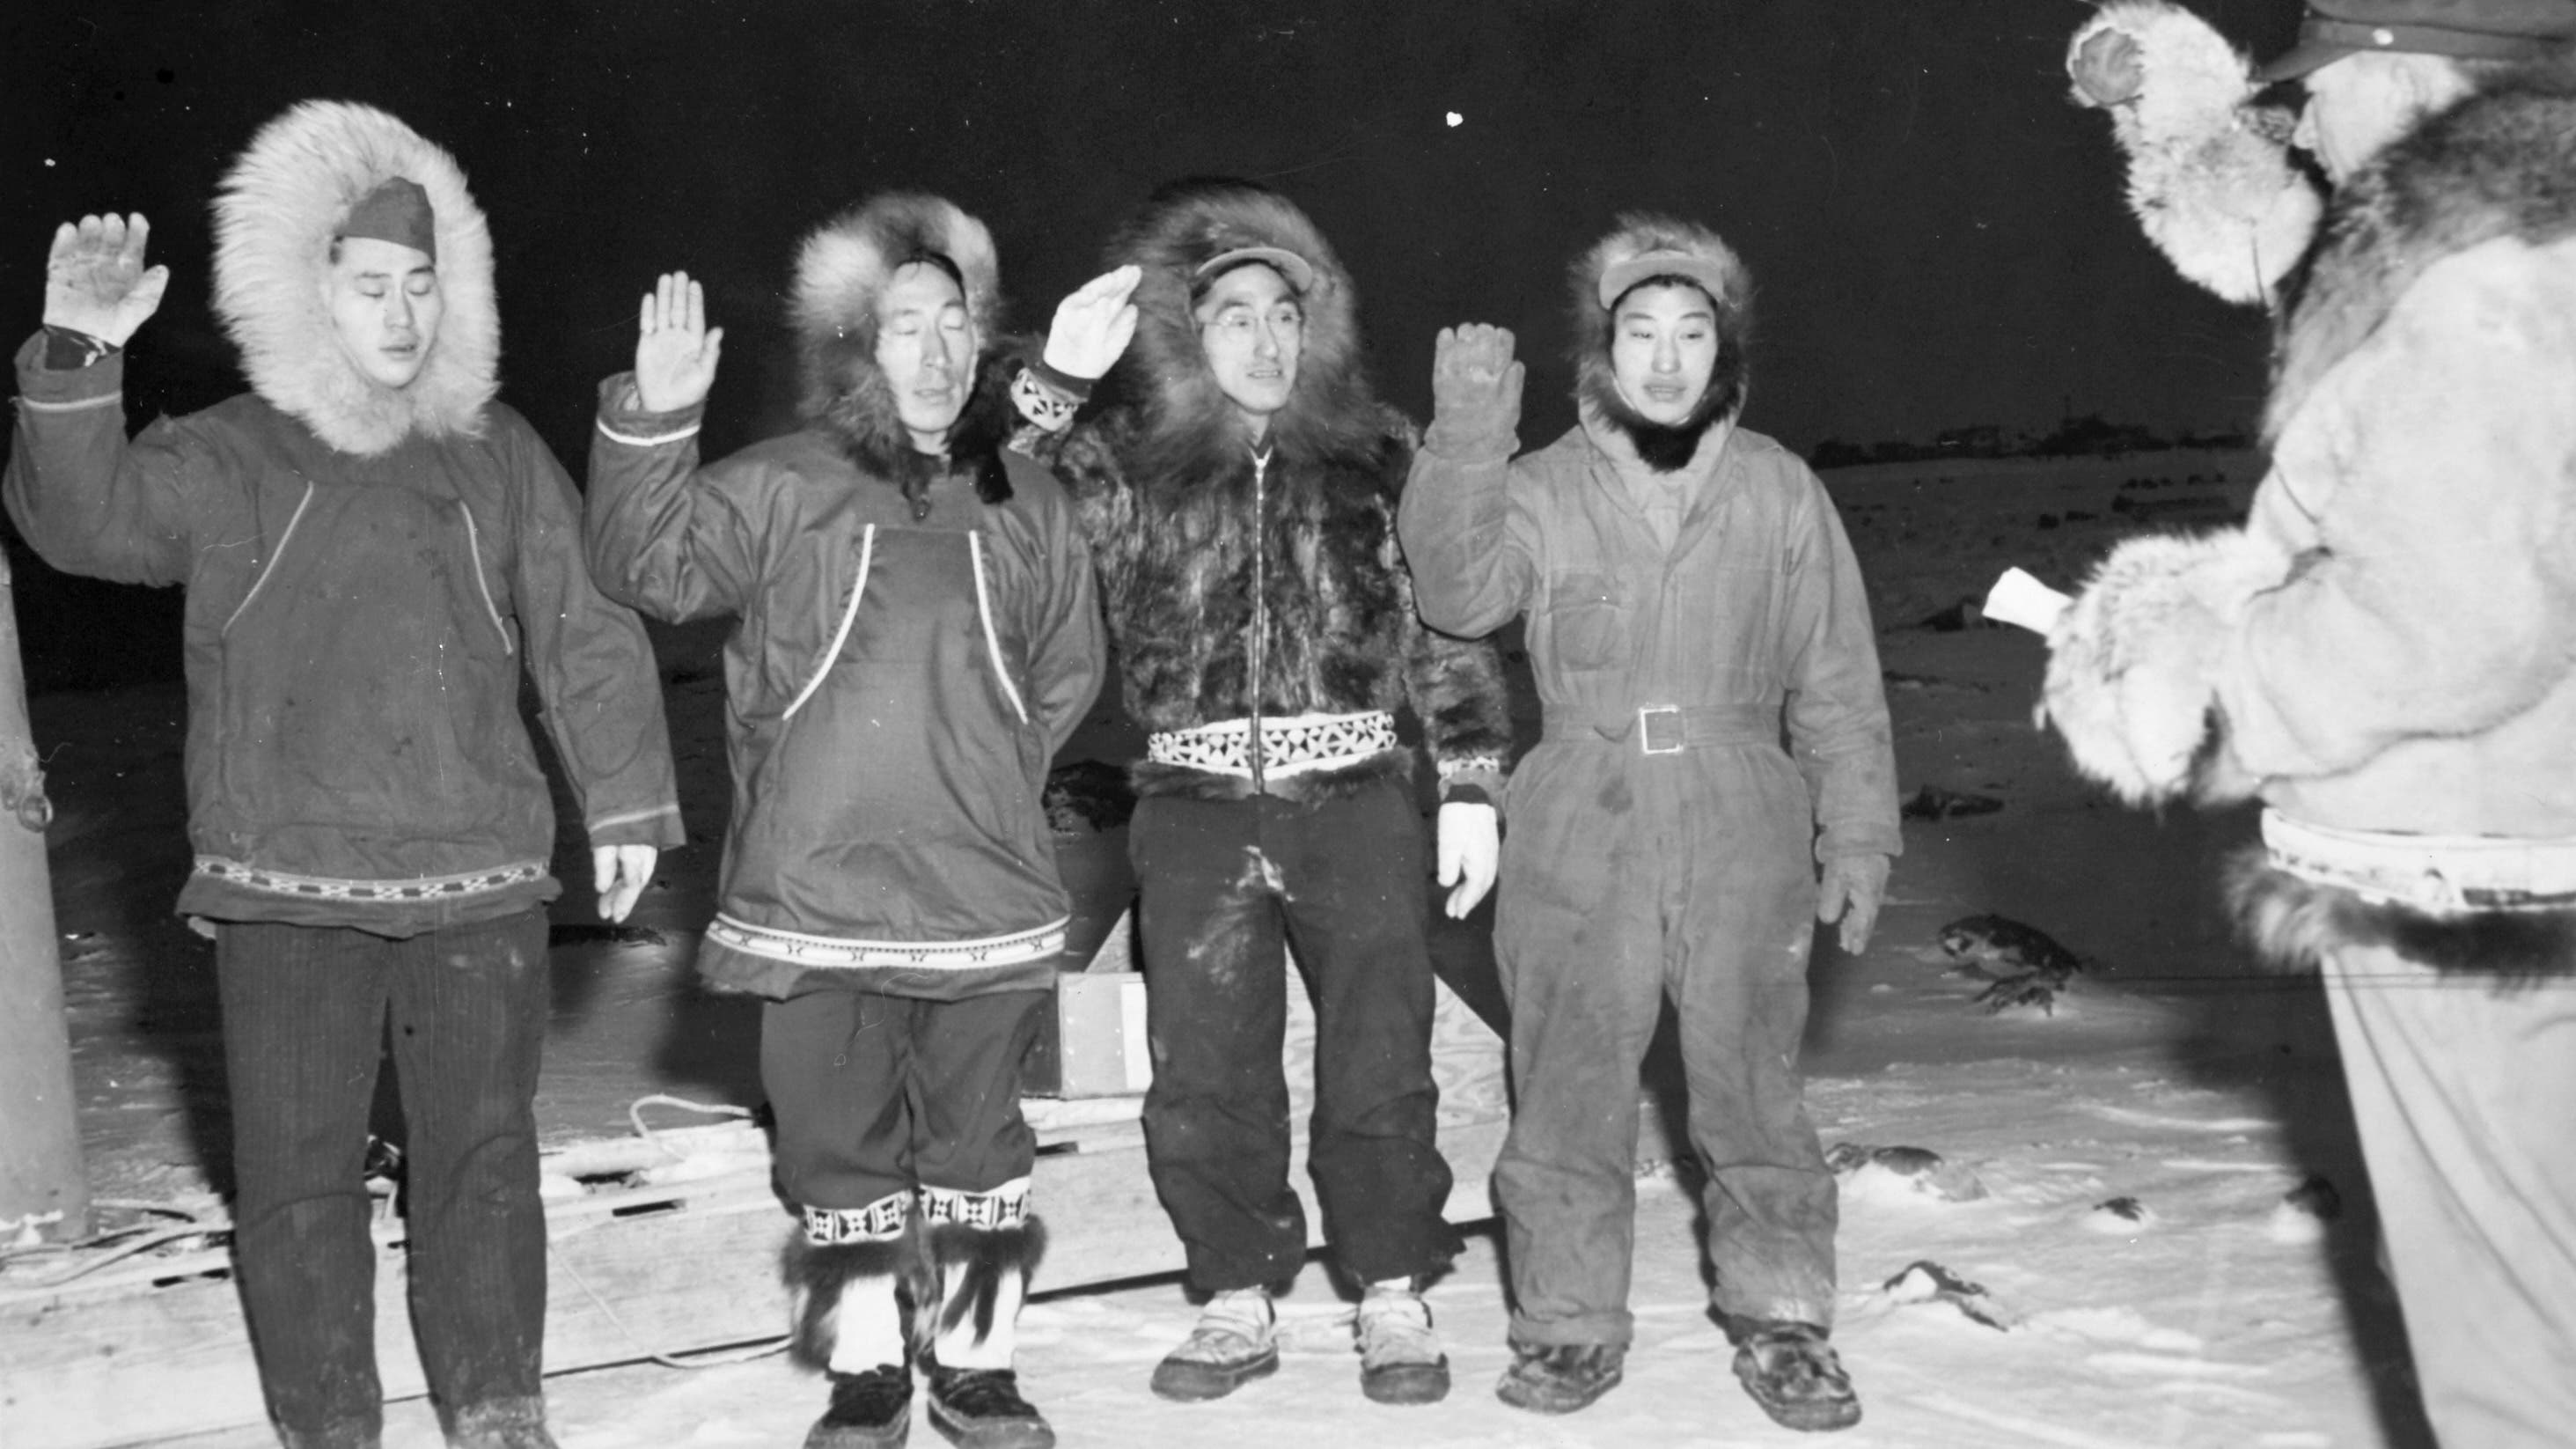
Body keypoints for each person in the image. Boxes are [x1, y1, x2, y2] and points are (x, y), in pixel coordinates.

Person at [4, 101, 681, 1449]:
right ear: (308, 290)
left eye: (424, 285)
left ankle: (497, 1408)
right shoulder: (234, 452)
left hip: (476, 878)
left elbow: (583, 625)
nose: (401, 314)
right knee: (299, 1180)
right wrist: (78, 356)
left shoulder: (497, 455)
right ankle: (330, 1423)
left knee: (483, 1164)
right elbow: (83, 524)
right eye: (371, 285)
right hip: (286, 885)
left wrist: (626, 795)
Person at [2053, 3, 2576, 1443]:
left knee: (2515, 1349)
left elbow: (2453, 617)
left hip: (2466, 873)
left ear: (2407, 68)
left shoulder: (2486, 276)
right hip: (2509, 847)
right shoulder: (2515, 230)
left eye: (2317, 90)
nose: (2307, 121)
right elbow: (2327, 282)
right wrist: (2186, 137)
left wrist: (2206, 678)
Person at [583, 194, 1104, 1449]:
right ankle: (868, 1367)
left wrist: (973, 767)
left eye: (955, 326)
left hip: (981, 890)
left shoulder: (1027, 498)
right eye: (902, 327)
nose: (934, 353)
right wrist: (651, 421)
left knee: (980, 1136)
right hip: (812, 889)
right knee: (833, 1136)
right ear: (854, 352)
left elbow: (1065, 673)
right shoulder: (779, 484)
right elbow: (643, 569)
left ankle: (978, 1367)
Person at [1011, 179, 1510, 1409]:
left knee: (1382, 1053)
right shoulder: (1128, 467)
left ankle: (1393, 1283)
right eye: (1233, 316)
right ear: (1190, 332)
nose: (1264, 340)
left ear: (1316, 328)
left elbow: (1445, 623)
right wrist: (1054, 387)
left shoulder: (1380, 453)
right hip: (1191, 806)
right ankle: (1237, 1289)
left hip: (1354, 797)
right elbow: (989, 503)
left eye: (1286, 315)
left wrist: (1469, 778)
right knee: (1206, 1064)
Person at [1398, 217, 1898, 1430]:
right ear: (1601, 346)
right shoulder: (1540, 485)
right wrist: (1465, 438)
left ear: (1723, 350)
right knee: (1567, 1079)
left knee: (1750, 1082)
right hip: (1581, 802)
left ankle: (1785, 1319)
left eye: (1691, 334)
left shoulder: (1779, 486)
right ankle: (1567, 1326)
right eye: (1640, 333)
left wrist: (1860, 829)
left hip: (1744, 806)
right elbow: (1456, 594)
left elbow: (1836, 677)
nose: (1666, 360)